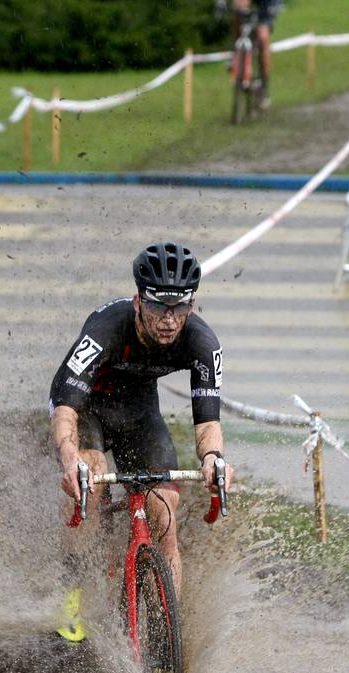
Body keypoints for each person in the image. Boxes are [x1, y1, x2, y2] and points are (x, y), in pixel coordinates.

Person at [48, 241, 235, 619]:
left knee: (164, 514)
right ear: (138, 301)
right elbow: (64, 407)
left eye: (179, 306)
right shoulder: (106, 328)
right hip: (89, 410)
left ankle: (167, 634)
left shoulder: (202, 342)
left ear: (191, 306)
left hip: (139, 415)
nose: (168, 319)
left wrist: (215, 461)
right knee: (91, 486)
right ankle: (70, 607)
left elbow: (209, 422)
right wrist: (71, 461)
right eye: (157, 306)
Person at [230, 0, 281, 110]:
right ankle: (235, 51)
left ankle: (264, 87)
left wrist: (274, 8)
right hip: (249, 6)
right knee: (237, 15)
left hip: (266, 7)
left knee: (263, 38)